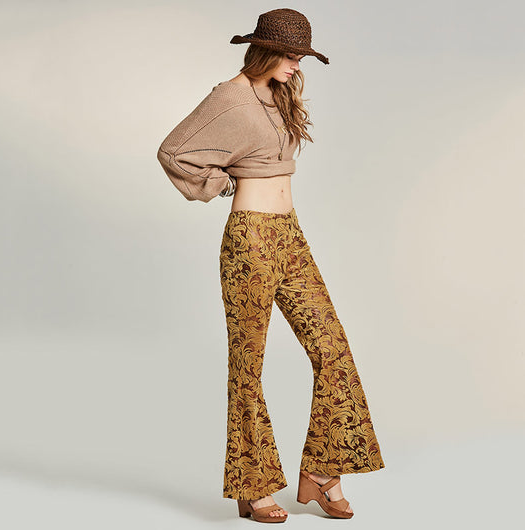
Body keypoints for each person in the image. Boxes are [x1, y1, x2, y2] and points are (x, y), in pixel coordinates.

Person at [157, 8, 385, 524]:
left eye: (302, 56)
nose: (298, 64)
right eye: (290, 55)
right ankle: (252, 485)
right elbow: (173, 151)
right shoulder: (230, 97)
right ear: (263, 51)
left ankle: (322, 472)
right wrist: (223, 185)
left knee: (332, 350)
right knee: (249, 364)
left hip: (290, 235)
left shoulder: (278, 93)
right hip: (251, 240)